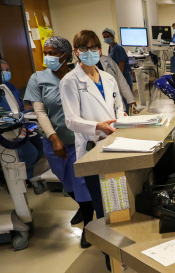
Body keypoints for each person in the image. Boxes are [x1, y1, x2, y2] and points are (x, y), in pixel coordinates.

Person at [60, 30, 127, 258]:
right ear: (76, 52)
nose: (90, 52)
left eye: (94, 47)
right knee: (103, 206)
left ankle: (121, 247)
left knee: (119, 200)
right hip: (92, 147)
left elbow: (118, 104)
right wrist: (98, 126)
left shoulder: (107, 77)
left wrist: (122, 117)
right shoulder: (70, 81)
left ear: (100, 49)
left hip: (115, 141)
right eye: (84, 48)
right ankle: (110, 256)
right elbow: (71, 120)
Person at [25, 36, 95, 247]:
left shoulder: (79, 75)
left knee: (82, 183)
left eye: (52, 53)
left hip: (80, 139)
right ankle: (85, 208)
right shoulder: (38, 79)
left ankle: (89, 227)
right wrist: (54, 138)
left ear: (65, 55)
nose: (48, 57)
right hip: (54, 140)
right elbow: (40, 112)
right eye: (45, 53)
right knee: (67, 183)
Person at [0, 59, 43, 180]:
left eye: (7, 70)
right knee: (30, 152)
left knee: (41, 145)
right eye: (2, 70)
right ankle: (21, 180)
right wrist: (17, 125)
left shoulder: (8, 86)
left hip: (20, 124)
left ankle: (26, 175)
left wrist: (27, 107)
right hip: (4, 130)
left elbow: (18, 104)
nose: (6, 73)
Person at [101, 28, 133, 94]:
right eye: (104, 37)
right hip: (116, 76)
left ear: (112, 36)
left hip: (124, 76)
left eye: (108, 36)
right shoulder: (110, 47)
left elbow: (121, 63)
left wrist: (119, 77)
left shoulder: (118, 48)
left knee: (126, 98)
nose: (106, 38)